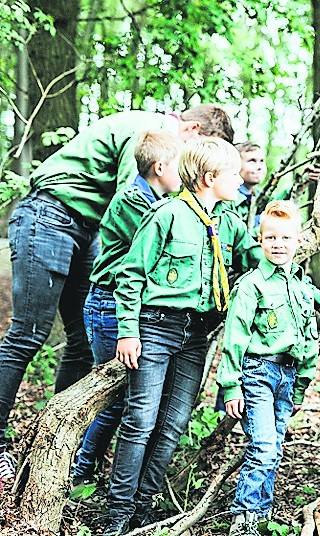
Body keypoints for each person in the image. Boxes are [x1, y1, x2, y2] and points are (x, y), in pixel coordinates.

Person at [0, 105, 233, 482]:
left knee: (79, 343)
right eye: (199, 149)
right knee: (27, 335)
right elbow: (141, 207)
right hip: (50, 215)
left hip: (85, 227)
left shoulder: (161, 136)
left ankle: (53, 443)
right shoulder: (150, 132)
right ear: (190, 129)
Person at [102, 137, 261, 535]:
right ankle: (118, 515)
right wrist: (128, 332)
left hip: (198, 334)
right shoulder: (167, 215)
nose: (239, 179)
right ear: (209, 178)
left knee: (173, 423)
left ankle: (145, 505)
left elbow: (253, 258)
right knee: (141, 419)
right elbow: (131, 273)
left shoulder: (228, 222)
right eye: (231, 174)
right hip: (157, 327)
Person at [71, 130, 184, 485]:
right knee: (112, 395)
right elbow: (159, 248)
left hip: (121, 302)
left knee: (120, 398)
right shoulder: (135, 202)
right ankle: (79, 470)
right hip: (109, 303)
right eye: (180, 166)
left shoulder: (152, 198)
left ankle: (85, 467)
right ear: (160, 166)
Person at [216, 200, 320, 536]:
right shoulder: (250, 285)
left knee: (273, 447)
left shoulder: (301, 287)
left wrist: (302, 384)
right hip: (257, 373)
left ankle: (261, 514)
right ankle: (242, 517)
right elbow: (234, 338)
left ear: (298, 240)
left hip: (287, 376)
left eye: (285, 238)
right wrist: (231, 386)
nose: (278, 245)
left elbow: (308, 337)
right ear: (260, 241)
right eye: (271, 238)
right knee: (263, 446)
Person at [231, 142, 267, 226]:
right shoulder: (230, 198)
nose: (259, 167)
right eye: (252, 161)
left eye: (261, 161)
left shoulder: (261, 195)